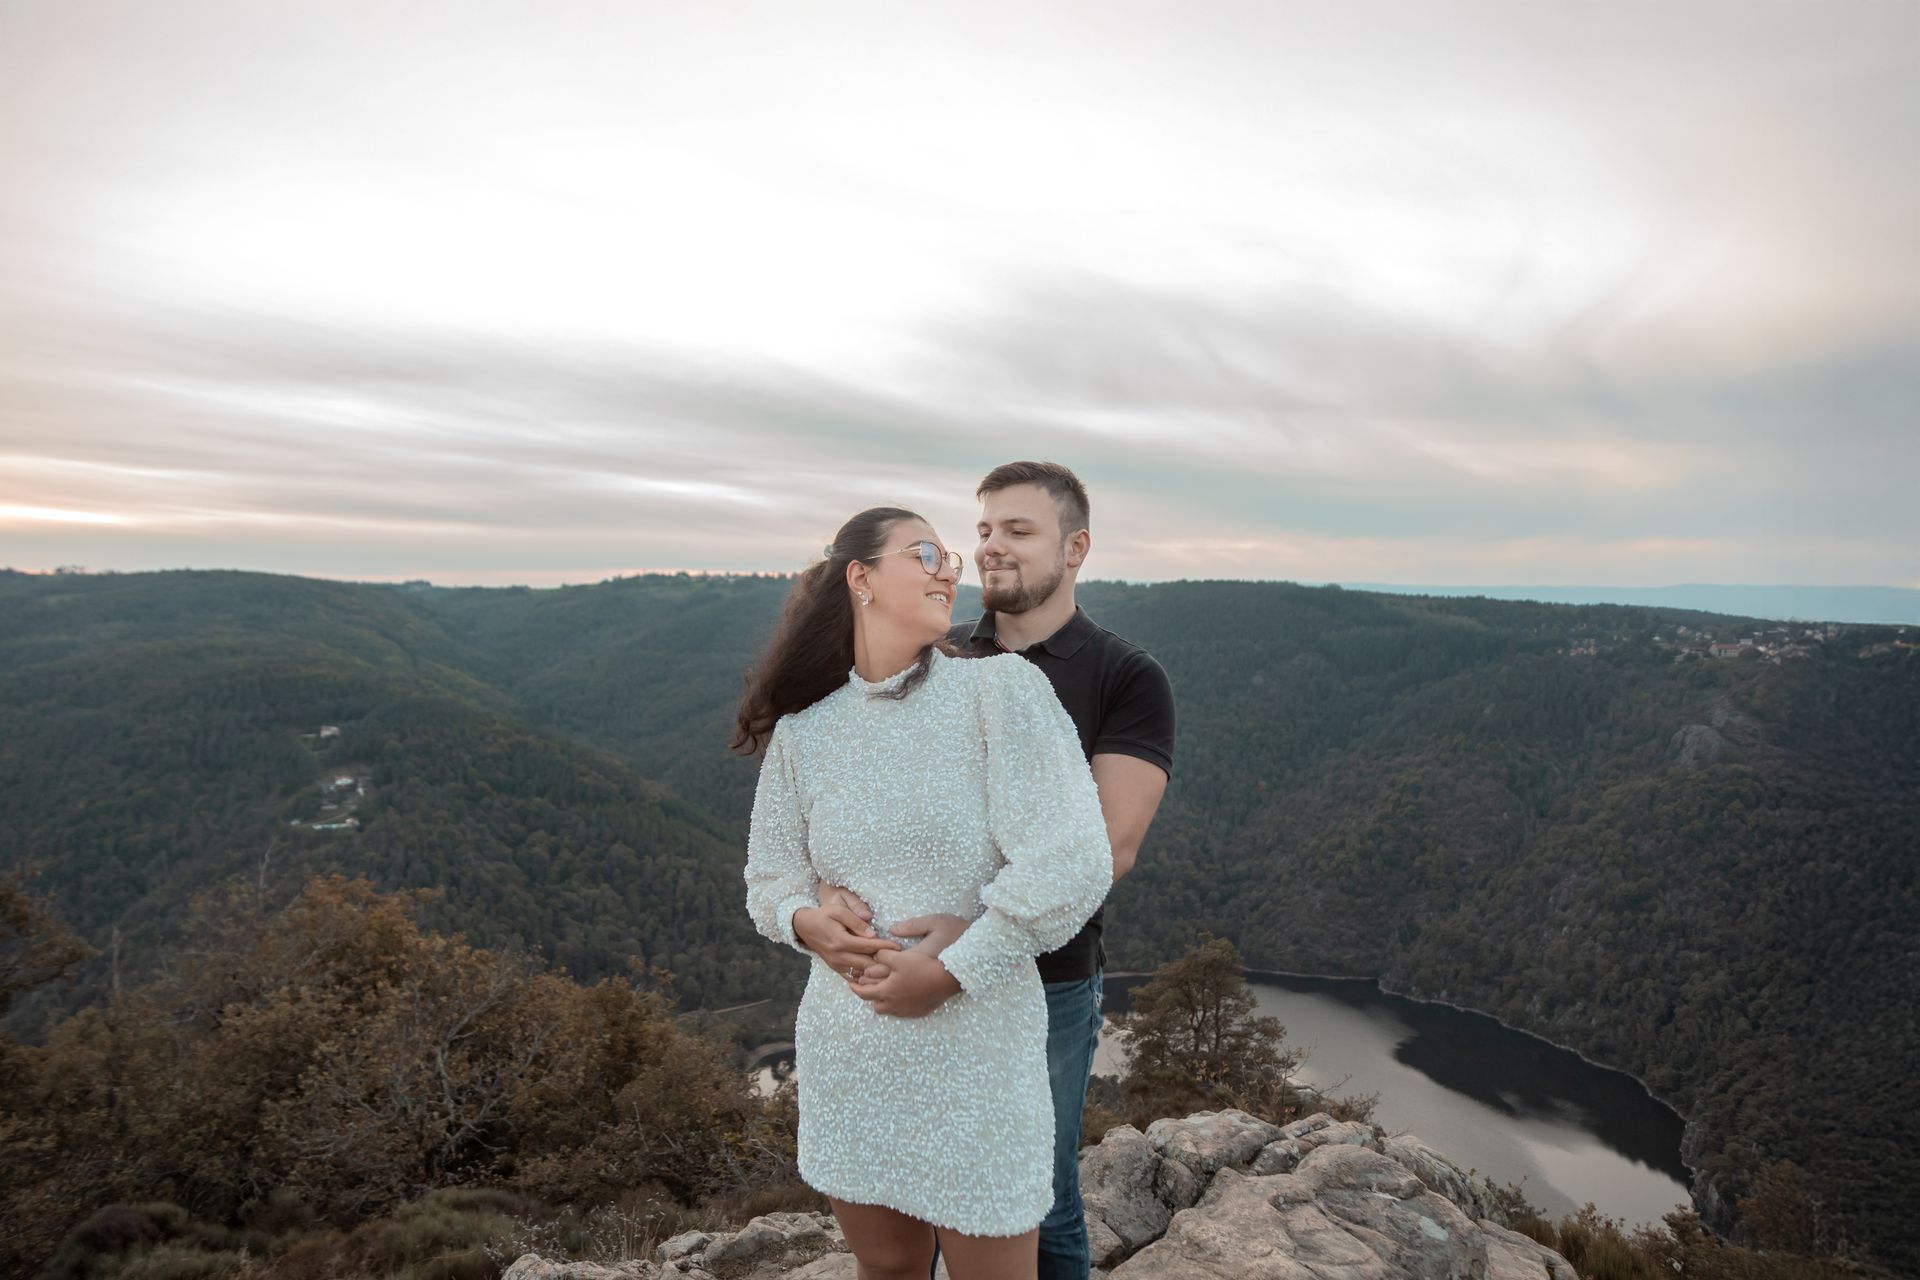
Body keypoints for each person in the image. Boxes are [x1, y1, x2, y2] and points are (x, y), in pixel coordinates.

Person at [800, 462, 1176, 1280]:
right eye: (982, 530)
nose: (990, 548)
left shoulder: (1123, 674)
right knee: (914, 1193)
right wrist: (831, 890)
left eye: (1018, 530)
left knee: (1037, 1199)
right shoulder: (941, 657)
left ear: (1075, 548)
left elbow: (1108, 847)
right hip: (904, 971)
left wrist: (968, 942)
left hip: (1046, 978)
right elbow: (870, 805)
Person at [736, 504, 1113, 1280]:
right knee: (888, 1273)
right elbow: (767, 876)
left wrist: (956, 966)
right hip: (852, 1051)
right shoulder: (808, 733)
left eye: (950, 556)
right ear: (860, 578)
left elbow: (1072, 861)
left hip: (977, 1052)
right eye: (925, 553)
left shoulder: (1000, 695)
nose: (952, 568)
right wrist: (806, 918)